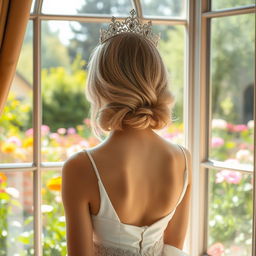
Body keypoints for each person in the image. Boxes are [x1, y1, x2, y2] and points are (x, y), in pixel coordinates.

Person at [61, 9, 192, 256]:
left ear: (99, 86)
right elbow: (174, 249)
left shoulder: (81, 167)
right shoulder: (182, 160)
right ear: (158, 81)